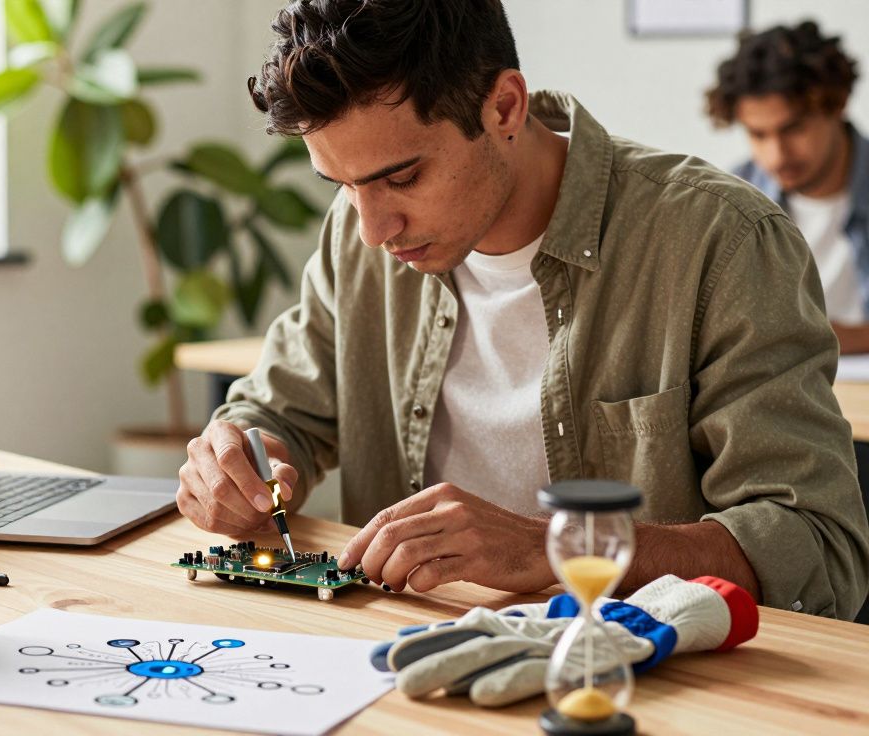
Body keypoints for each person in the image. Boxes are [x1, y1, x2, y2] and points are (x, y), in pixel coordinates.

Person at [177, 1, 869, 620]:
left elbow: (817, 548)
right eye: (342, 184)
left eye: (402, 176)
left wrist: (558, 547)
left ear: (505, 107)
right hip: (402, 661)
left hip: (639, 683)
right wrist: (238, 457)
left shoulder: (719, 240)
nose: (372, 229)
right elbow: (280, 416)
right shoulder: (357, 230)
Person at [709, 21, 869, 354]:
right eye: (758, 134)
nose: (776, 155)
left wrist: (850, 338)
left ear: (836, 104)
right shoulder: (731, 197)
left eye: (793, 128)